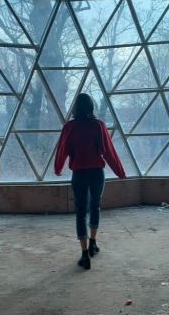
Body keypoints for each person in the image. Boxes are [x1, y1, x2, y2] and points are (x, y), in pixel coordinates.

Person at [54, 93, 126, 270]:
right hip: (96, 173)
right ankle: (93, 242)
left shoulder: (69, 127)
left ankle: (85, 254)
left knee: (80, 212)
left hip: (78, 174)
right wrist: (120, 172)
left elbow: (62, 149)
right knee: (95, 206)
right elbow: (109, 151)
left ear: (75, 108)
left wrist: (58, 167)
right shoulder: (98, 125)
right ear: (91, 107)